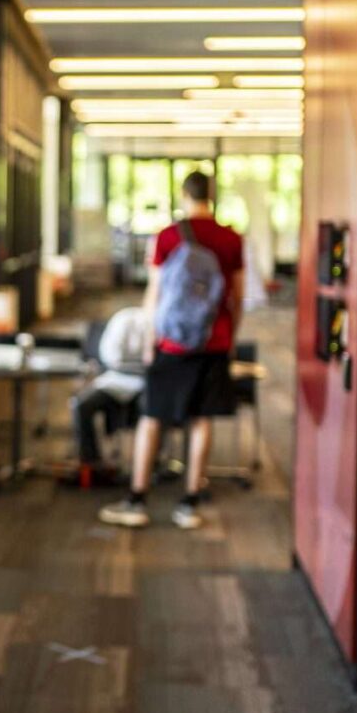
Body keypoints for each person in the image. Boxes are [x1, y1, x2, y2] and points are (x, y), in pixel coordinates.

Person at [99, 170, 244, 530]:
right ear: (211, 195)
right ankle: (189, 503)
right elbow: (236, 296)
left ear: (184, 195)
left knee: (152, 417)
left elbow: (156, 294)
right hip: (215, 338)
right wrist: (231, 337)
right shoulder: (230, 239)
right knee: (201, 419)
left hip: (172, 341)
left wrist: (151, 337)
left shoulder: (167, 236)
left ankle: (137, 499)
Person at [69, 305, 148, 482]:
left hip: (146, 382)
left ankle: (149, 464)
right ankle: (91, 463)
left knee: (152, 411)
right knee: (81, 405)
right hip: (113, 378)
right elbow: (110, 357)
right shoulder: (122, 321)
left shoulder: (155, 322)